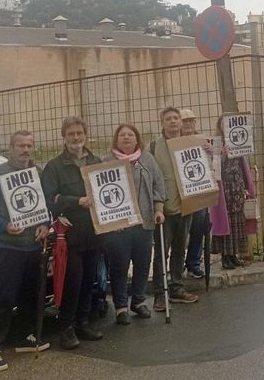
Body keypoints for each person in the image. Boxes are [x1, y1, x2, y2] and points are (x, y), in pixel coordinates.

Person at [0, 131, 51, 372]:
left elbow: (45, 206)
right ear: (10, 148)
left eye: (29, 145)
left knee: (29, 294)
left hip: (33, 245)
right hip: (8, 246)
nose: (26, 150)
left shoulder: (37, 173)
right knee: (4, 296)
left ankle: (24, 336)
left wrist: (44, 225)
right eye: (21, 145)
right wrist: (4, 226)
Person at [41, 116, 104, 350]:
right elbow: (50, 201)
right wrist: (76, 201)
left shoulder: (96, 161)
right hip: (69, 235)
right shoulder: (54, 167)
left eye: (79, 133)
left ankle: (82, 323)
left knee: (89, 280)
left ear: (85, 134)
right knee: (73, 282)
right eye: (71, 134)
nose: (76, 138)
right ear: (63, 137)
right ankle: (65, 328)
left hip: (95, 232)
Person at [101, 124, 166, 325]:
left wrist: (159, 210)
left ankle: (138, 301)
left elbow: (158, 185)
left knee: (142, 263)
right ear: (116, 140)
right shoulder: (106, 162)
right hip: (119, 225)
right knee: (119, 266)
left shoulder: (147, 159)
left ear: (137, 139)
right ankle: (121, 306)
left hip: (144, 222)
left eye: (130, 135)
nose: (127, 138)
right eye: (122, 135)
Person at [149, 107, 200, 311]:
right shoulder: (153, 147)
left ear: (181, 121)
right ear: (162, 123)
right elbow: (151, 179)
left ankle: (177, 287)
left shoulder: (193, 143)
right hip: (164, 208)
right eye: (168, 119)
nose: (172, 122)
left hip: (186, 205)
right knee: (162, 252)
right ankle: (160, 295)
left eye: (176, 118)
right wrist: (156, 206)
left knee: (180, 249)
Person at [210, 117, 257, 269]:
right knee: (226, 221)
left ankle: (235, 254)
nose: (227, 126)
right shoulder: (215, 143)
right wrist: (221, 154)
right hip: (224, 189)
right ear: (220, 126)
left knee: (238, 221)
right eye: (224, 124)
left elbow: (243, 163)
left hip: (237, 186)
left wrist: (246, 185)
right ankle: (225, 257)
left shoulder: (238, 139)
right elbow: (213, 165)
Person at [180, 108, 209, 279]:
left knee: (198, 228)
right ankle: (178, 265)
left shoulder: (203, 141)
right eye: (185, 121)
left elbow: (213, 165)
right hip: (180, 194)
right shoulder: (173, 142)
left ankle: (193, 264)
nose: (189, 123)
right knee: (180, 232)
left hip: (199, 192)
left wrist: (211, 151)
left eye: (192, 120)